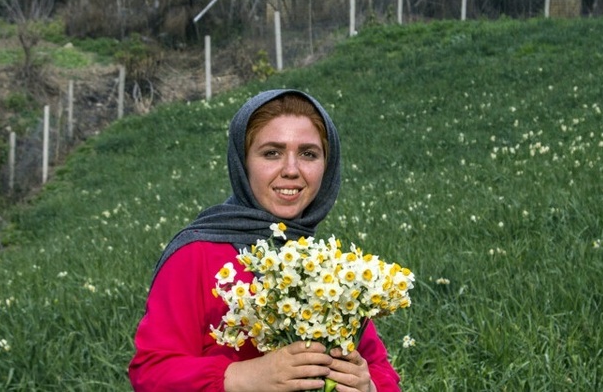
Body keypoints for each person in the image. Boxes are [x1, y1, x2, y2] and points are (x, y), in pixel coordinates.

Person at [129, 89, 400, 392]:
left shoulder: (326, 265)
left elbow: (377, 366)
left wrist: (368, 386)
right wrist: (245, 377)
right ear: (242, 163)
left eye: (309, 154)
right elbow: (150, 373)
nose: (291, 170)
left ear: (328, 164)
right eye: (272, 153)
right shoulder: (196, 255)